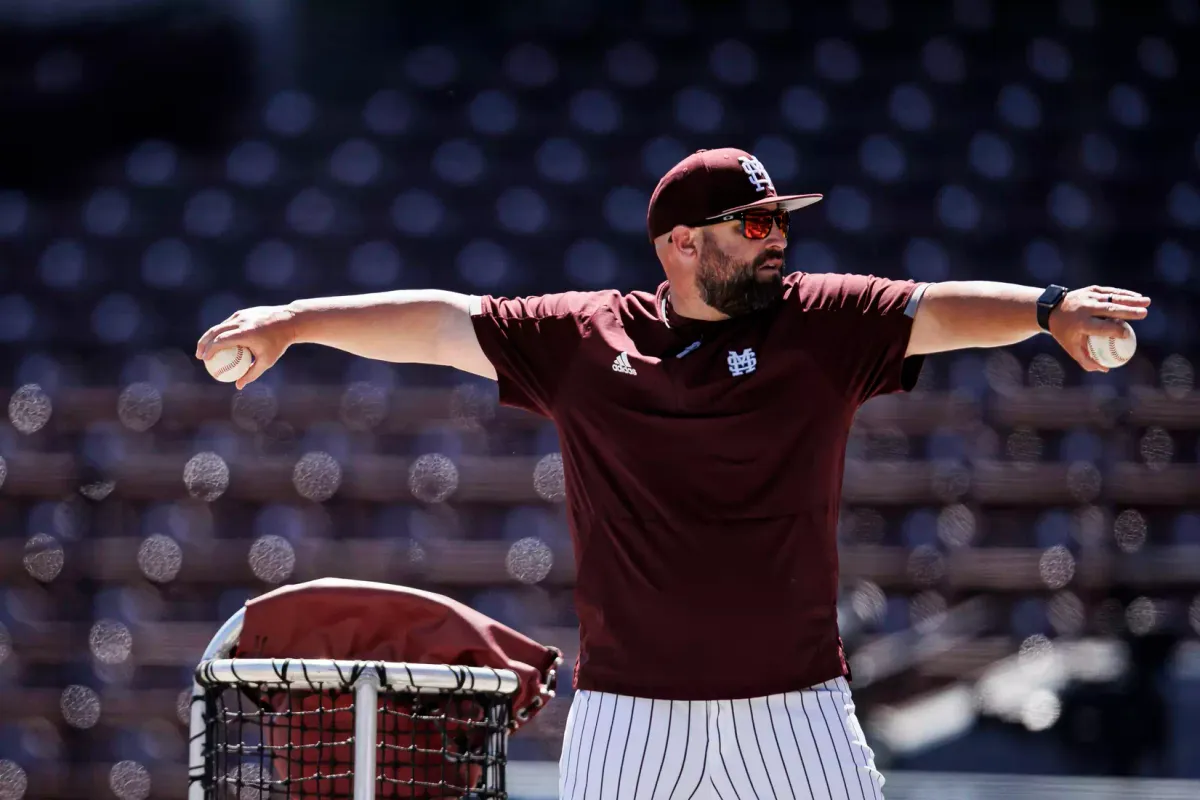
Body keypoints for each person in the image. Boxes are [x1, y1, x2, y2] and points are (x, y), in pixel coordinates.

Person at [196, 148, 1151, 799]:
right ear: (682, 245)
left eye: (780, 220)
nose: (778, 238)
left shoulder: (820, 321)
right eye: (754, 224)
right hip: (628, 720)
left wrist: (1051, 307)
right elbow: (446, 322)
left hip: (798, 715)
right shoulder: (588, 336)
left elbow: (937, 310)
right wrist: (295, 318)